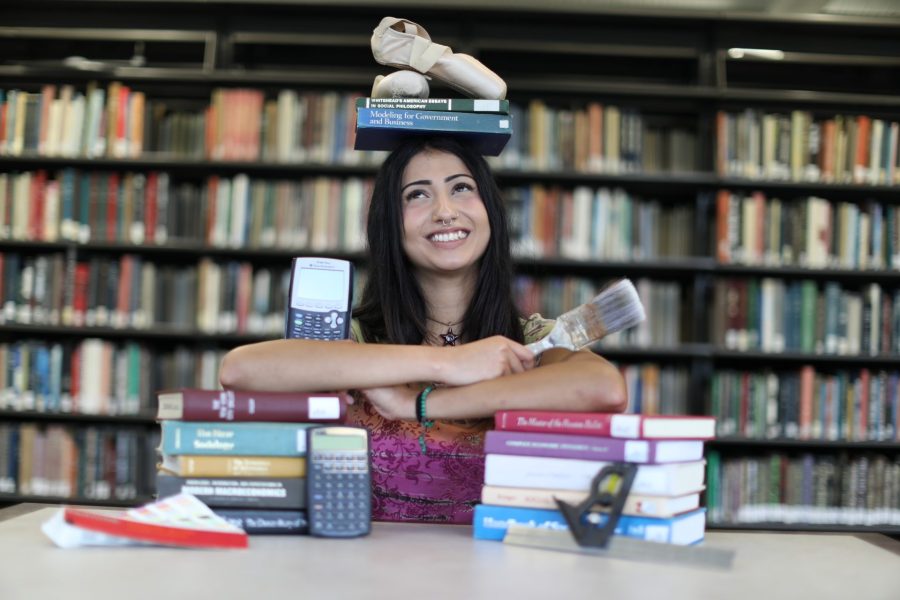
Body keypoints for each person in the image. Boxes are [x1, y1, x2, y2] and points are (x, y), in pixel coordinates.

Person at [218, 135, 627, 524]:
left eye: (462, 188)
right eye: (417, 194)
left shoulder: (532, 342)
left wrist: (415, 405)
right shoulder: (354, 340)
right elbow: (240, 371)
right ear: (390, 224)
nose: (445, 211)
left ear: (492, 212)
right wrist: (449, 363)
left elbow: (603, 389)